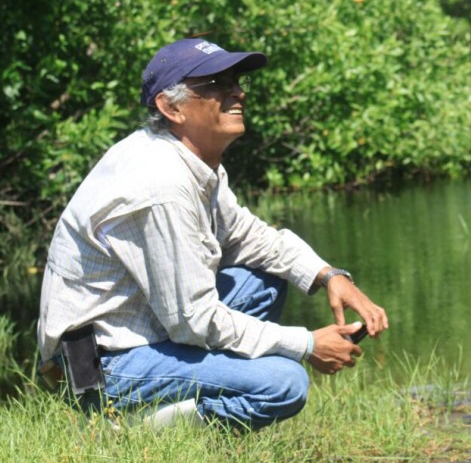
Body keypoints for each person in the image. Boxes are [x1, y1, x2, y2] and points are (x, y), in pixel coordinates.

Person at [37, 38, 389, 429]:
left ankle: (184, 407)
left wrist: (329, 276)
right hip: (102, 366)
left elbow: (247, 236)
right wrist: (306, 344)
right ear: (171, 107)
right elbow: (194, 320)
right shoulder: (160, 184)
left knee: (264, 281)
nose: (236, 91)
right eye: (216, 84)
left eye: (236, 81)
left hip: (145, 333)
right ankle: (125, 429)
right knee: (283, 383)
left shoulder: (190, 160)